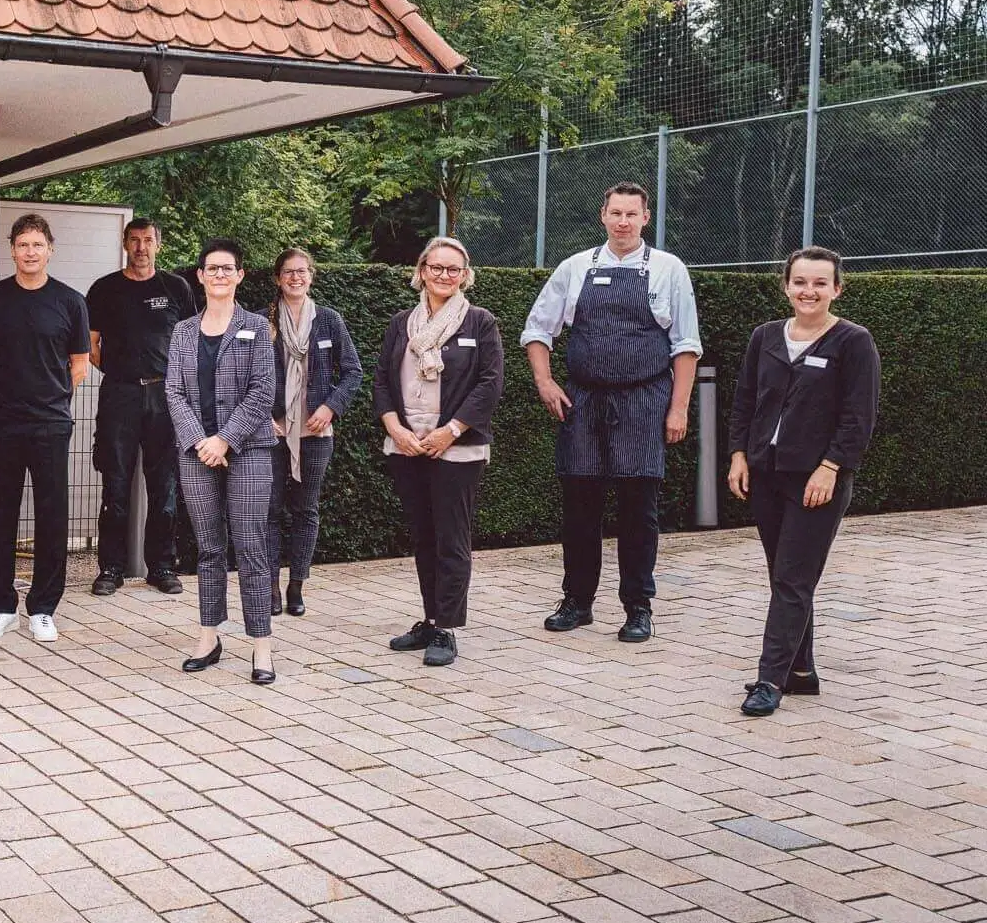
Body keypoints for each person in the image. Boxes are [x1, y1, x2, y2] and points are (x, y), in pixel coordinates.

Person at [521, 182, 700, 644]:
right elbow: (537, 329)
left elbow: (685, 345)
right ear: (602, 215)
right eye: (615, 213)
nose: (623, 222)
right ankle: (577, 602)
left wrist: (678, 408)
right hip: (583, 402)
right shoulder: (575, 267)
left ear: (645, 219)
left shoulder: (668, 269)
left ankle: (638, 607)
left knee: (639, 511)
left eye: (631, 214)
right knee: (580, 508)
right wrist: (545, 381)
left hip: (645, 400)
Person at [727, 248, 879, 717]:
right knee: (786, 577)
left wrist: (831, 467)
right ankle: (801, 671)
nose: (808, 291)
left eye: (819, 283)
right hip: (765, 474)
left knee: (792, 578)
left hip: (817, 479)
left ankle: (769, 680)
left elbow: (859, 417)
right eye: (799, 282)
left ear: (837, 289)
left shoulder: (853, 342)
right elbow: (745, 400)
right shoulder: (765, 336)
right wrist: (738, 455)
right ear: (786, 286)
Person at [377, 237, 505, 668]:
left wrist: (450, 431)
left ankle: (447, 629)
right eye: (437, 268)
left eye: (454, 269)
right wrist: (394, 427)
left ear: (465, 275)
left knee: (452, 539)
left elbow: (490, 384)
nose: (444, 276)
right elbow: (381, 381)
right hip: (407, 445)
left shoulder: (479, 322)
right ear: (422, 270)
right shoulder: (401, 323)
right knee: (423, 537)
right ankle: (431, 618)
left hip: (457, 448)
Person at [0, 213, 90, 641]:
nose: (30, 252)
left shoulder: (70, 301)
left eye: (37, 245)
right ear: (12, 250)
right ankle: (1, 606)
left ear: (50, 249)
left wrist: (51, 395)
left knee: (52, 514)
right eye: (22, 245)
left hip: (51, 423)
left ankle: (43, 608)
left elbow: (80, 365)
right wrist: (2, 393)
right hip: (1, 421)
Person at [167, 238, 279, 683]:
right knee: (210, 548)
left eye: (227, 269)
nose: (218, 275)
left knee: (250, 546)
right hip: (197, 454)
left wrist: (225, 440)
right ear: (200, 276)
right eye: (211, 268)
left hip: (248, 451)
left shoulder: (256, 327)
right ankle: (208, 636)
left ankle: (261, 647)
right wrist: (200, 441)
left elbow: (262, 393)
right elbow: (173, 391)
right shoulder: (182, 332)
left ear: (240, 275)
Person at [85, 217, 194, 597]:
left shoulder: (176, 287)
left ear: (158, 245)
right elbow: (91, 345)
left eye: (148, 240)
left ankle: (161, 566)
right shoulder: (104, 289)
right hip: (120, 394)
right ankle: (111, 569)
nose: (141, 247)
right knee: (115, 484)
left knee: (164, 486)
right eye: (134, 240)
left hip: (165, 396)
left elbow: (189, 343)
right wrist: (121, 371)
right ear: (124, 244)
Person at [265, 248, 363, 616]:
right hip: (271, 432)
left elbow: (353, 372)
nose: (295, 278)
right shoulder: (263, 322)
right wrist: (263, 418)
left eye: (302, 271)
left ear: (311, 276)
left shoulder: (329, 320)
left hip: (315, 434)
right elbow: (247, 378)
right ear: (278, 278)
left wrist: (329, 407)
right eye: (288, 272)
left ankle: (297, 587)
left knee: (306, 510)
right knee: (270, 511)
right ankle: (271, 587)